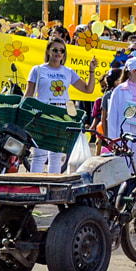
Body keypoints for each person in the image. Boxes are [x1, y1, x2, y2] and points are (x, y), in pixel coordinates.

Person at [24, 37, 97, 173]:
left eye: (61, 51)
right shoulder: (37, 70)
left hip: (62, 114)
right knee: (40, 154)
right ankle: (34, 185)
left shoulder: (68, 71)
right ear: (48, 51)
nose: (58, 53)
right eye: (55, 50)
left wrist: (91, 71)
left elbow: (88, 89)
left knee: (57, 155)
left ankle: (53, 187)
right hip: (43, 113)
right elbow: (28, 95)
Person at [106, 57, 136, 169]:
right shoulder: (119, 90)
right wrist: (113, 139)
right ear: (133, 71)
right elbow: (112, 116)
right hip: (124, 135)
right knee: (124, 168)